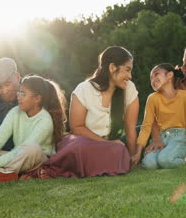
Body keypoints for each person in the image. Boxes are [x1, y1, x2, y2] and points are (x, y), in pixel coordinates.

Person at [21, 46, 139, 179]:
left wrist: (133, 157)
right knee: (79, 147)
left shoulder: (129, 89)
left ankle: (69, 169)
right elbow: (77, 127)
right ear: (112, 67)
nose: (130, 76)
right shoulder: (83, 89)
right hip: (83, 143)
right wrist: (105, 143)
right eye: (127, 70)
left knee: (119, 150)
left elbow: (130, 129)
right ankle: (46, 170)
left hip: (109, 147)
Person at [0, 75, 67, 184]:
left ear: (37, 98)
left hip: (35, 159)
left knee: (31, 148)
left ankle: (2, 171)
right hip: (16, 157)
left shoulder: (45, 120)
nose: (18, 97)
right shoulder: (15, 112)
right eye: (19, 93)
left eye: (23, 94)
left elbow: (24, 148)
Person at [135, 63, 186, 169]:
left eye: (156, 74)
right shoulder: (152, 98)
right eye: (151, 78)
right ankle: (166, 157)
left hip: (178, 139)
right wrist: (138, 153)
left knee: (164, 160)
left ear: (170, 75)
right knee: (149, 164)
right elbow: (146, 126)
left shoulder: (185, 96)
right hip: (160, 138)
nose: (153, 79)